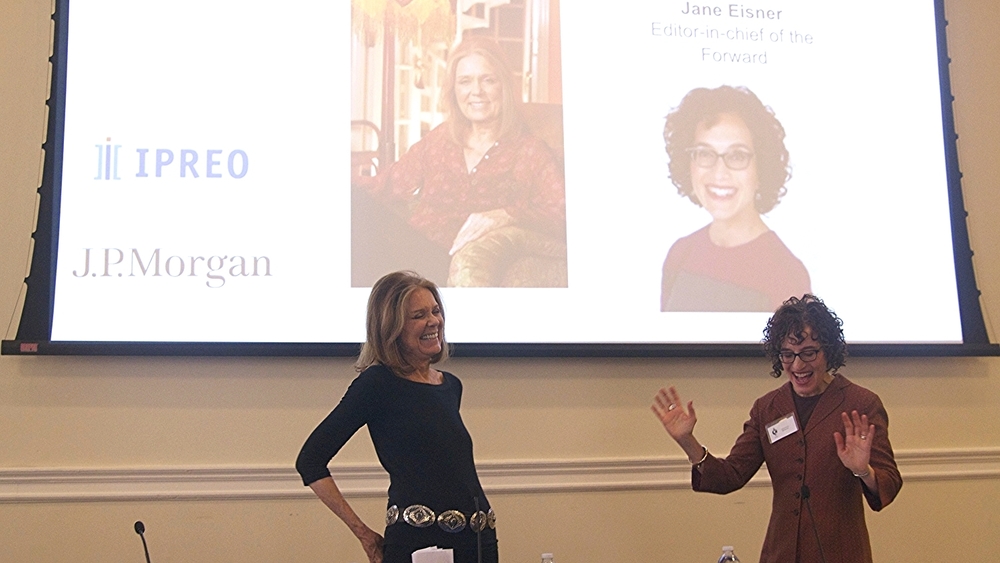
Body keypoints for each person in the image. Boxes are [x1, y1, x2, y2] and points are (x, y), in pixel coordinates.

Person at [651, 295, 901, 563]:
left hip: (840, 554)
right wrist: (688, 441)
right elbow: (730, 476)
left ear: (828, 351)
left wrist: (863, 470)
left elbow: (889, 482)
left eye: (808, 353)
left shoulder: (860, 404)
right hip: (780, 553)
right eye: (787, 354)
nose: (797, 365)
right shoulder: (768, 408)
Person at [296, 271, 498, 563]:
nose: (434, 322)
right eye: (419, 315)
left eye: (436, 311)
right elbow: (310, 461)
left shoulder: (450, 385)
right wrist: (363, 533)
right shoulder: (377, 383)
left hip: (479, 542)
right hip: (421, 544)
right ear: (392, 328)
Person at [364, 37, 567, 287]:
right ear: (454, 90)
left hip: (450, 263)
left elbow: (563, 211)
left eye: (488, 80)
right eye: (465, 81)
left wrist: (505, 215)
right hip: (408, 251)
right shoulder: (441, 138)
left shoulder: (529, 151)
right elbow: (386, 185)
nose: (476, 92)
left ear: (504, 86)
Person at [661, 85, 809, 311]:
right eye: (705, 153)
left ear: (762, 169)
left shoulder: (786, 274)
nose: (719, 173)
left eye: (737, 156)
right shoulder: (681, 254)